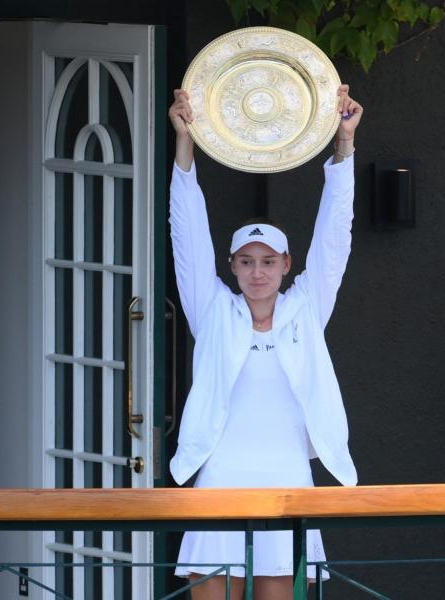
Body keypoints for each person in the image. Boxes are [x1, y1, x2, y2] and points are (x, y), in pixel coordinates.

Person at [167, 84, 362, 600]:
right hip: (220, 480)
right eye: (247, 261)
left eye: (268, 261)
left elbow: (334, 236)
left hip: (288, 480)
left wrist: (344, 148)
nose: (258, 272)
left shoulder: (307, 307)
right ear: (231, 267)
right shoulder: (212, 312)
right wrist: (184, 144)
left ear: (286, 266)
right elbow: (186, 234)